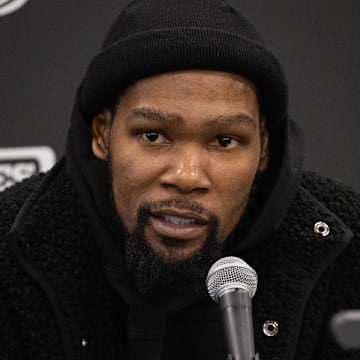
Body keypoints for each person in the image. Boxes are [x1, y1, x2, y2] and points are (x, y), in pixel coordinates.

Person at [1, 0, 359, 359]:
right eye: (153, 135)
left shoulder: (348, 249)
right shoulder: (9, 253)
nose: (187, 176)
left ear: (264, 148)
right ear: (101, 134)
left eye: (224, 141)